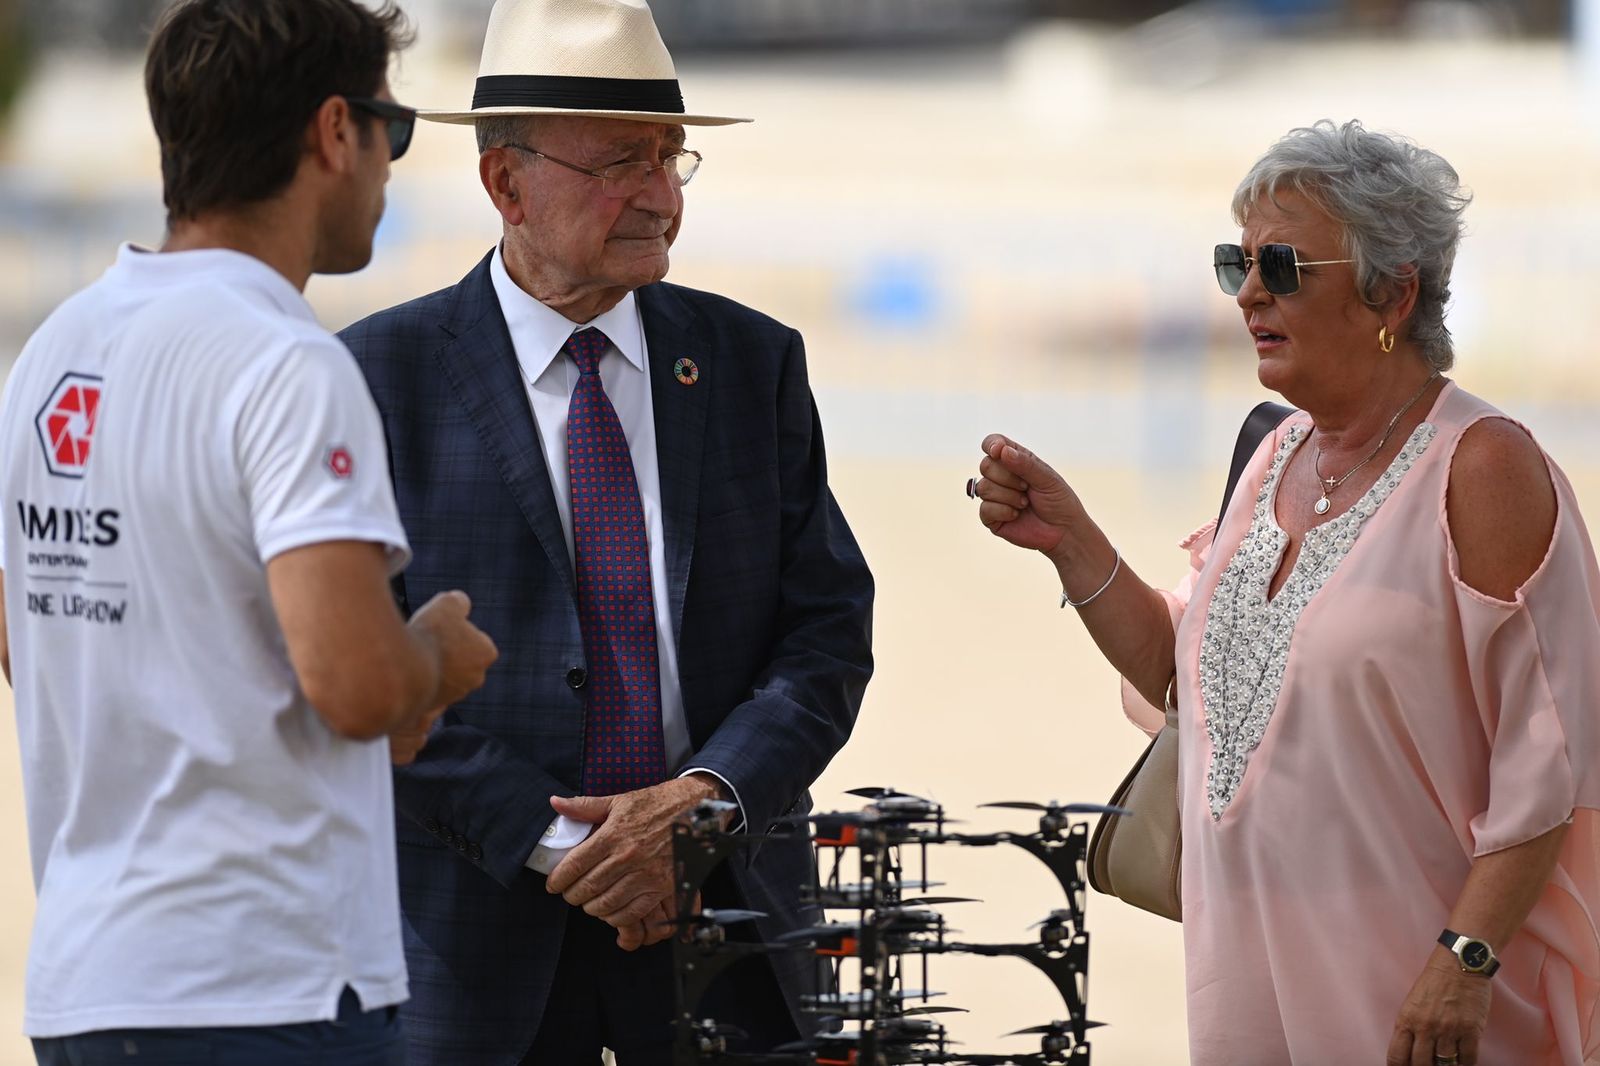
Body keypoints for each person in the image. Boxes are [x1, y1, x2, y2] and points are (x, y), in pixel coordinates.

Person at [971, 119, 1600, 1066]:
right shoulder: (1274, 456)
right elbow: (1185, 683)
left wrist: (1463, 963)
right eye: (1238, 263)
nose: (1250, 292)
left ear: (1393, 290)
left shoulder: (1485, 466)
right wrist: (1071, 543)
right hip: (1246, 975)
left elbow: (1551, 757)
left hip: (1424, 999)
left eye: (1283, 266)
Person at [337, 0, 875, 1062]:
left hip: (728, 931)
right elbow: (354, 674)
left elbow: (824, 636)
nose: (663, 198)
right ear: (505, 182)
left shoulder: (750, 363)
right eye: (623, 164)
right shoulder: (373, 379)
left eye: (673, 161)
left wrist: (695, 808)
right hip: (468, 955)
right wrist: (564, 843)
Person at [0, 1, 500, 1063]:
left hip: (89, 980)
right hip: (261, 983)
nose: (390, 166)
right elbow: (357, 684)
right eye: (391, 131)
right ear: (333, 131)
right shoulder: (285, 361)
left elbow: (31, 632)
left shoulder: (55, 351)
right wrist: (434, 658)